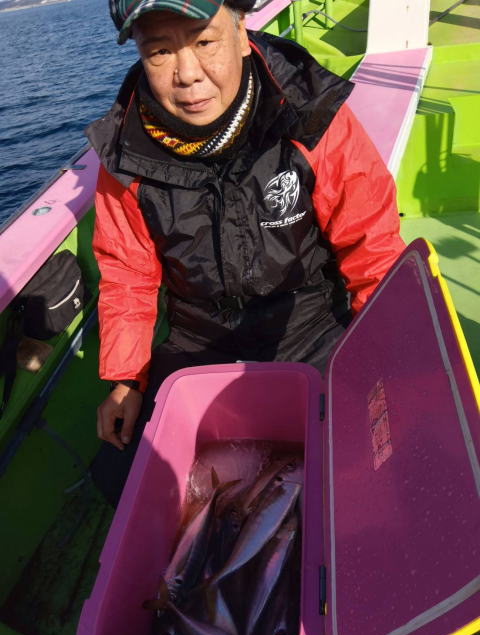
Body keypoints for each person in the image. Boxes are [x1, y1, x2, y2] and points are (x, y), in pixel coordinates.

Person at [87, 0, 405, 505]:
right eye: (160, 52)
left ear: (240, 31)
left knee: (369, 466)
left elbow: (371, 245)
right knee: (123, 477)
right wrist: (126, 378)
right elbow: (128, 272)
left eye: (204, 42)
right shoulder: (126, 152)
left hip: (310, 328)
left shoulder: (309, 115)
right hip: (197, 344)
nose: (187, 74)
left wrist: (382, 352)